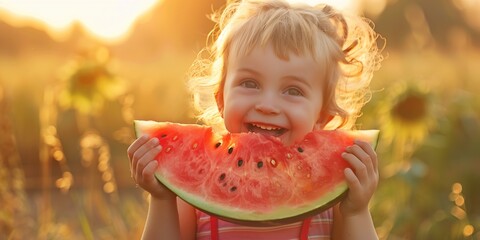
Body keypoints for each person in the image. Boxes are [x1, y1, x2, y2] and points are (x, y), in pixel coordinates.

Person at [127, 0, 383, 239]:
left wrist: (357, 211)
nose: (267, 105)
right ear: (221, 99)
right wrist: (161, 200)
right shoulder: (194, 195)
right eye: (249, 83)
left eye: (293, 91)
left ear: (322, 116)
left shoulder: (334, 200)